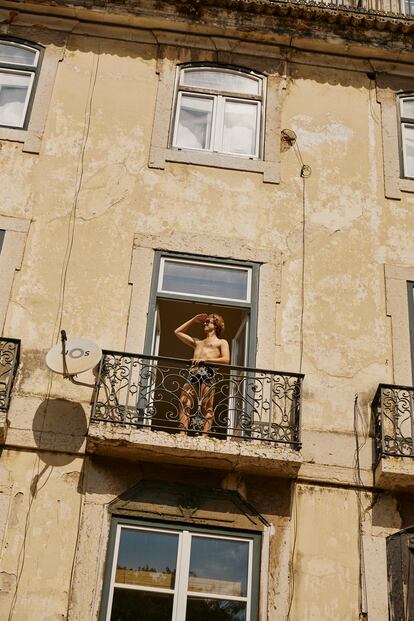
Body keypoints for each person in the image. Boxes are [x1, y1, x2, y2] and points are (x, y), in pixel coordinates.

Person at [174, 313, 230, 434]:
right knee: (184, 401)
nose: (204, 323)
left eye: (208, 321)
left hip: (208, 372)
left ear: (216, 325)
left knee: (207, 405)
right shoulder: (198, 342)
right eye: (205, 322)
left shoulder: (221, 342)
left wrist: (205, 360)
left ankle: (205, 435)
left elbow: (226, 360)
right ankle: (182, 433)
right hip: (194, 373)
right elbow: (177, 332)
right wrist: (193, 319)